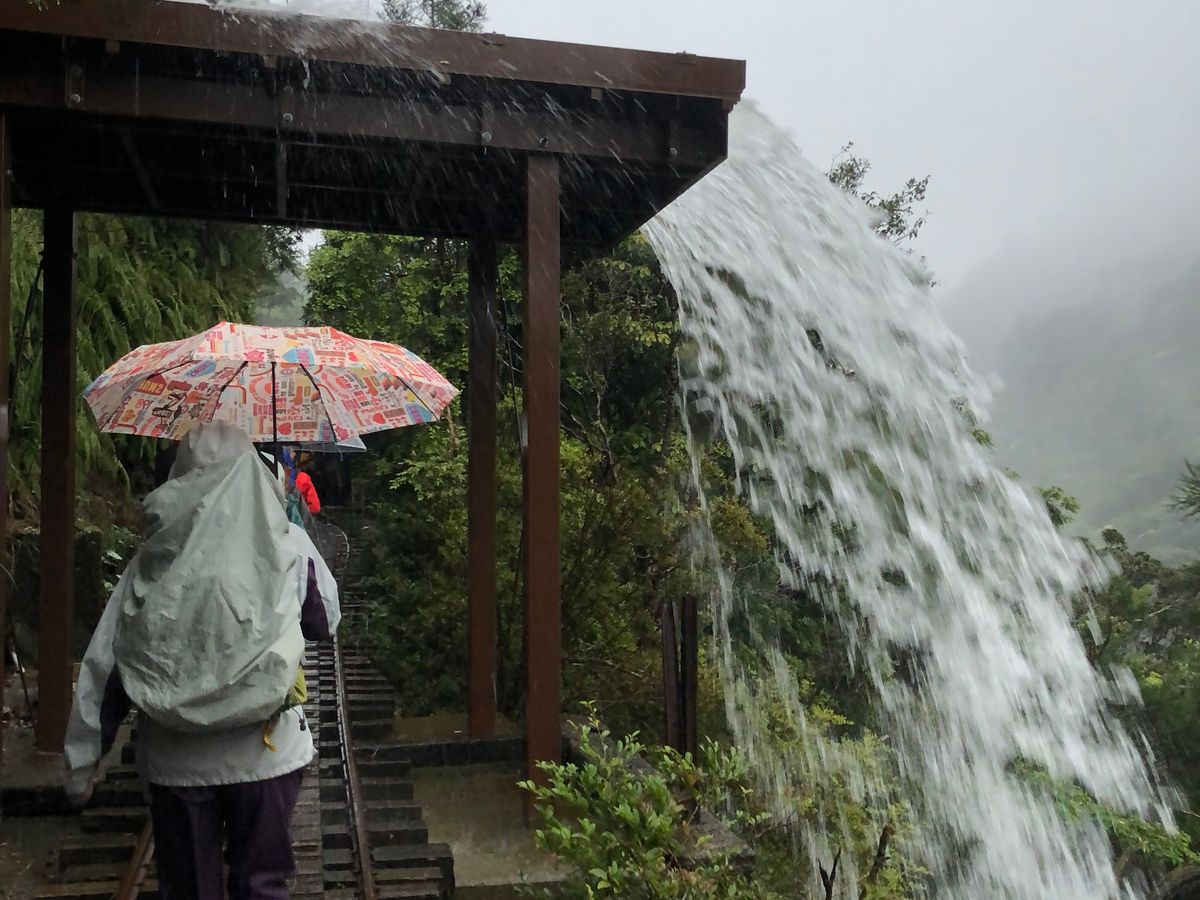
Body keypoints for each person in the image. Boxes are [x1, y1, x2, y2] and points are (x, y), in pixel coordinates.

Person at [65, 422, 340, 900]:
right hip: (266, 752)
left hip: (178, 763)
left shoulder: (152, 557)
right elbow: (324, 622)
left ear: (178, 478)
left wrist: (81, 766)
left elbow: (106, 666)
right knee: (262, 884)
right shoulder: (288, 543)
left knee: (189, 888)